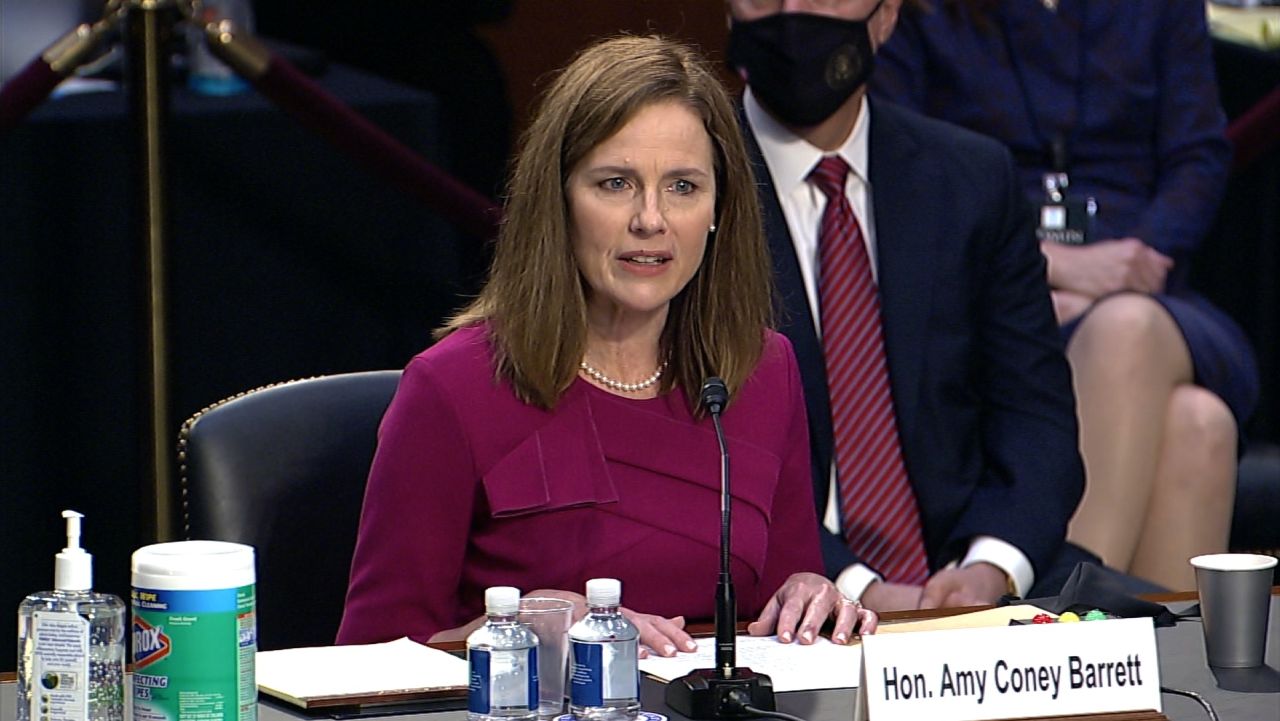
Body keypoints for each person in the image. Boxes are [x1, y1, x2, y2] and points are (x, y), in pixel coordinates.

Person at [337, 35, 878, 653]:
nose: (650, 219)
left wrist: (809, 597)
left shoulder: (761, 370)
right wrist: (522, 632)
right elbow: (368, 663)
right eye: (616, 183)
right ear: (559, 199)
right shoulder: (454, 387)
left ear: (717, 209)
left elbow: (778, 603)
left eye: (682, 187)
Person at [870, 0, 1260, 591]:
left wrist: (1138, 263)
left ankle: (1059, 613)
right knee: (1197, 426)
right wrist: (1037, 276)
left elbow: (1197, 156)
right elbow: (906, 162)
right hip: (993, 277)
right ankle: (1153, 666)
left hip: (1154, 293)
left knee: (1127, 327)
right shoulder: (919, 13)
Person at [727, 0, 1095, 612]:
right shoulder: (684, 192)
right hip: (780, 596)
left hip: (973, 580)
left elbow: (1036, 416)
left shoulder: (972, 178)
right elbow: (695, 452)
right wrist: (857, 588)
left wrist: (992, 566)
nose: (792, 11)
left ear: (886, 15)